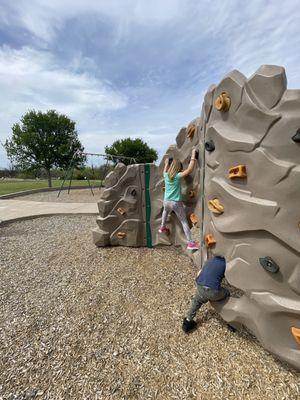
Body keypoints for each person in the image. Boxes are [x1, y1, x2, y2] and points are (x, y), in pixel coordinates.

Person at [159, 149, 199, 250]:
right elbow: (189, 170)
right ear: (178, 168)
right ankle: (191, 243)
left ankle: (162, 227)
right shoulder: (177, 176)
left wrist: (166, 163)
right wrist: (193, 156)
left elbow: (164, 169)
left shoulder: (166, 175)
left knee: (165, 211)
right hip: (175, 203)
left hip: (166, 201)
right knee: (184, 222)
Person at [182, 255, 230, 333]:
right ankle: (230, 320)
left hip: (200, 286)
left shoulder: (210, 260)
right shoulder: (226, 264)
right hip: (213, 292)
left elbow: (199, 273)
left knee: (196, 302)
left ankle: (187, 321)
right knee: (227, 293)